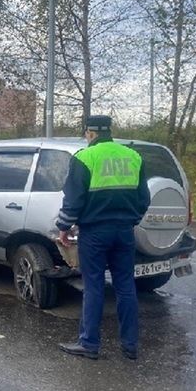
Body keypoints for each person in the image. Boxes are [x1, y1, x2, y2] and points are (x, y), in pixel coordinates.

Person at [56, 115, 151, 360]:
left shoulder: (85, 157)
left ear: (90, 133)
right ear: (109, 131)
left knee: (94, 286)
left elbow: (73, 199)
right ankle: (130, 345)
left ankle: (89, 343)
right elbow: (143, 199)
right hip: (124, 231)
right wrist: (131, 219)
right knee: (126, 286)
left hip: (95, 232)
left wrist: (64, 227)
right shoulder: (133, 157)